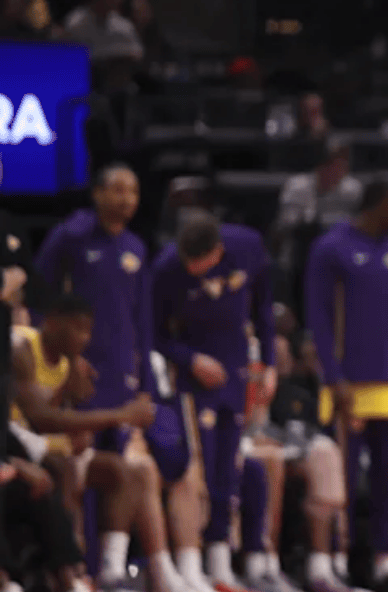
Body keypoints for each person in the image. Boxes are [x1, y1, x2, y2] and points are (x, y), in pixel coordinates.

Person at [34, 164, 156, 581]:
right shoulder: (70, 236)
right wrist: (61, 360)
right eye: (118, 190)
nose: (127, 199)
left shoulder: (137, 247)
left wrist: (147, 383)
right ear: (98, 194)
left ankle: (111, 569)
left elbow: (144, 320)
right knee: (80, 468)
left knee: (117, 471)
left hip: (122, 375)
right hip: (79, 373)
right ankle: (77, 567)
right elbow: (39, 298)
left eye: (134, 191)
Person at [150, 210, 277, 592]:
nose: (193, 269)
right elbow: (153, 333)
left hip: (236, 373)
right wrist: (190, 359)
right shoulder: (166, 268)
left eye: (199, 263)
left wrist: (268, 363)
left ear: (218, 252)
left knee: (230, 467)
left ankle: (222, 562)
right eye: (187, 262)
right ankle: (197, 561)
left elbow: (265, 309)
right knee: (199, 469)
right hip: (193, 380)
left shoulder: (248, 247)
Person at [304, 179, 388, 592]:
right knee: (342, 481)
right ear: (381, 204)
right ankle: (336, 560)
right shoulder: (331, 247)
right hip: (348, 384)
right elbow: (318, 318)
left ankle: (387, 563)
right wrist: (333, 377)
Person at [11, 294, 169, 592]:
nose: (84, 337)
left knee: (123, 471)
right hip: (14, 441)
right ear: (53, 322)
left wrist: (78, 418)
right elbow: (40, 420)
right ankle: (71, 574)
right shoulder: (22, 348)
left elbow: (73, 429)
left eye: (88, 330)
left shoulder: (70, 365)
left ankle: (111, 573)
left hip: (45, 446)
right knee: (65, 469)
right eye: (77, 328)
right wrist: (120, 415)